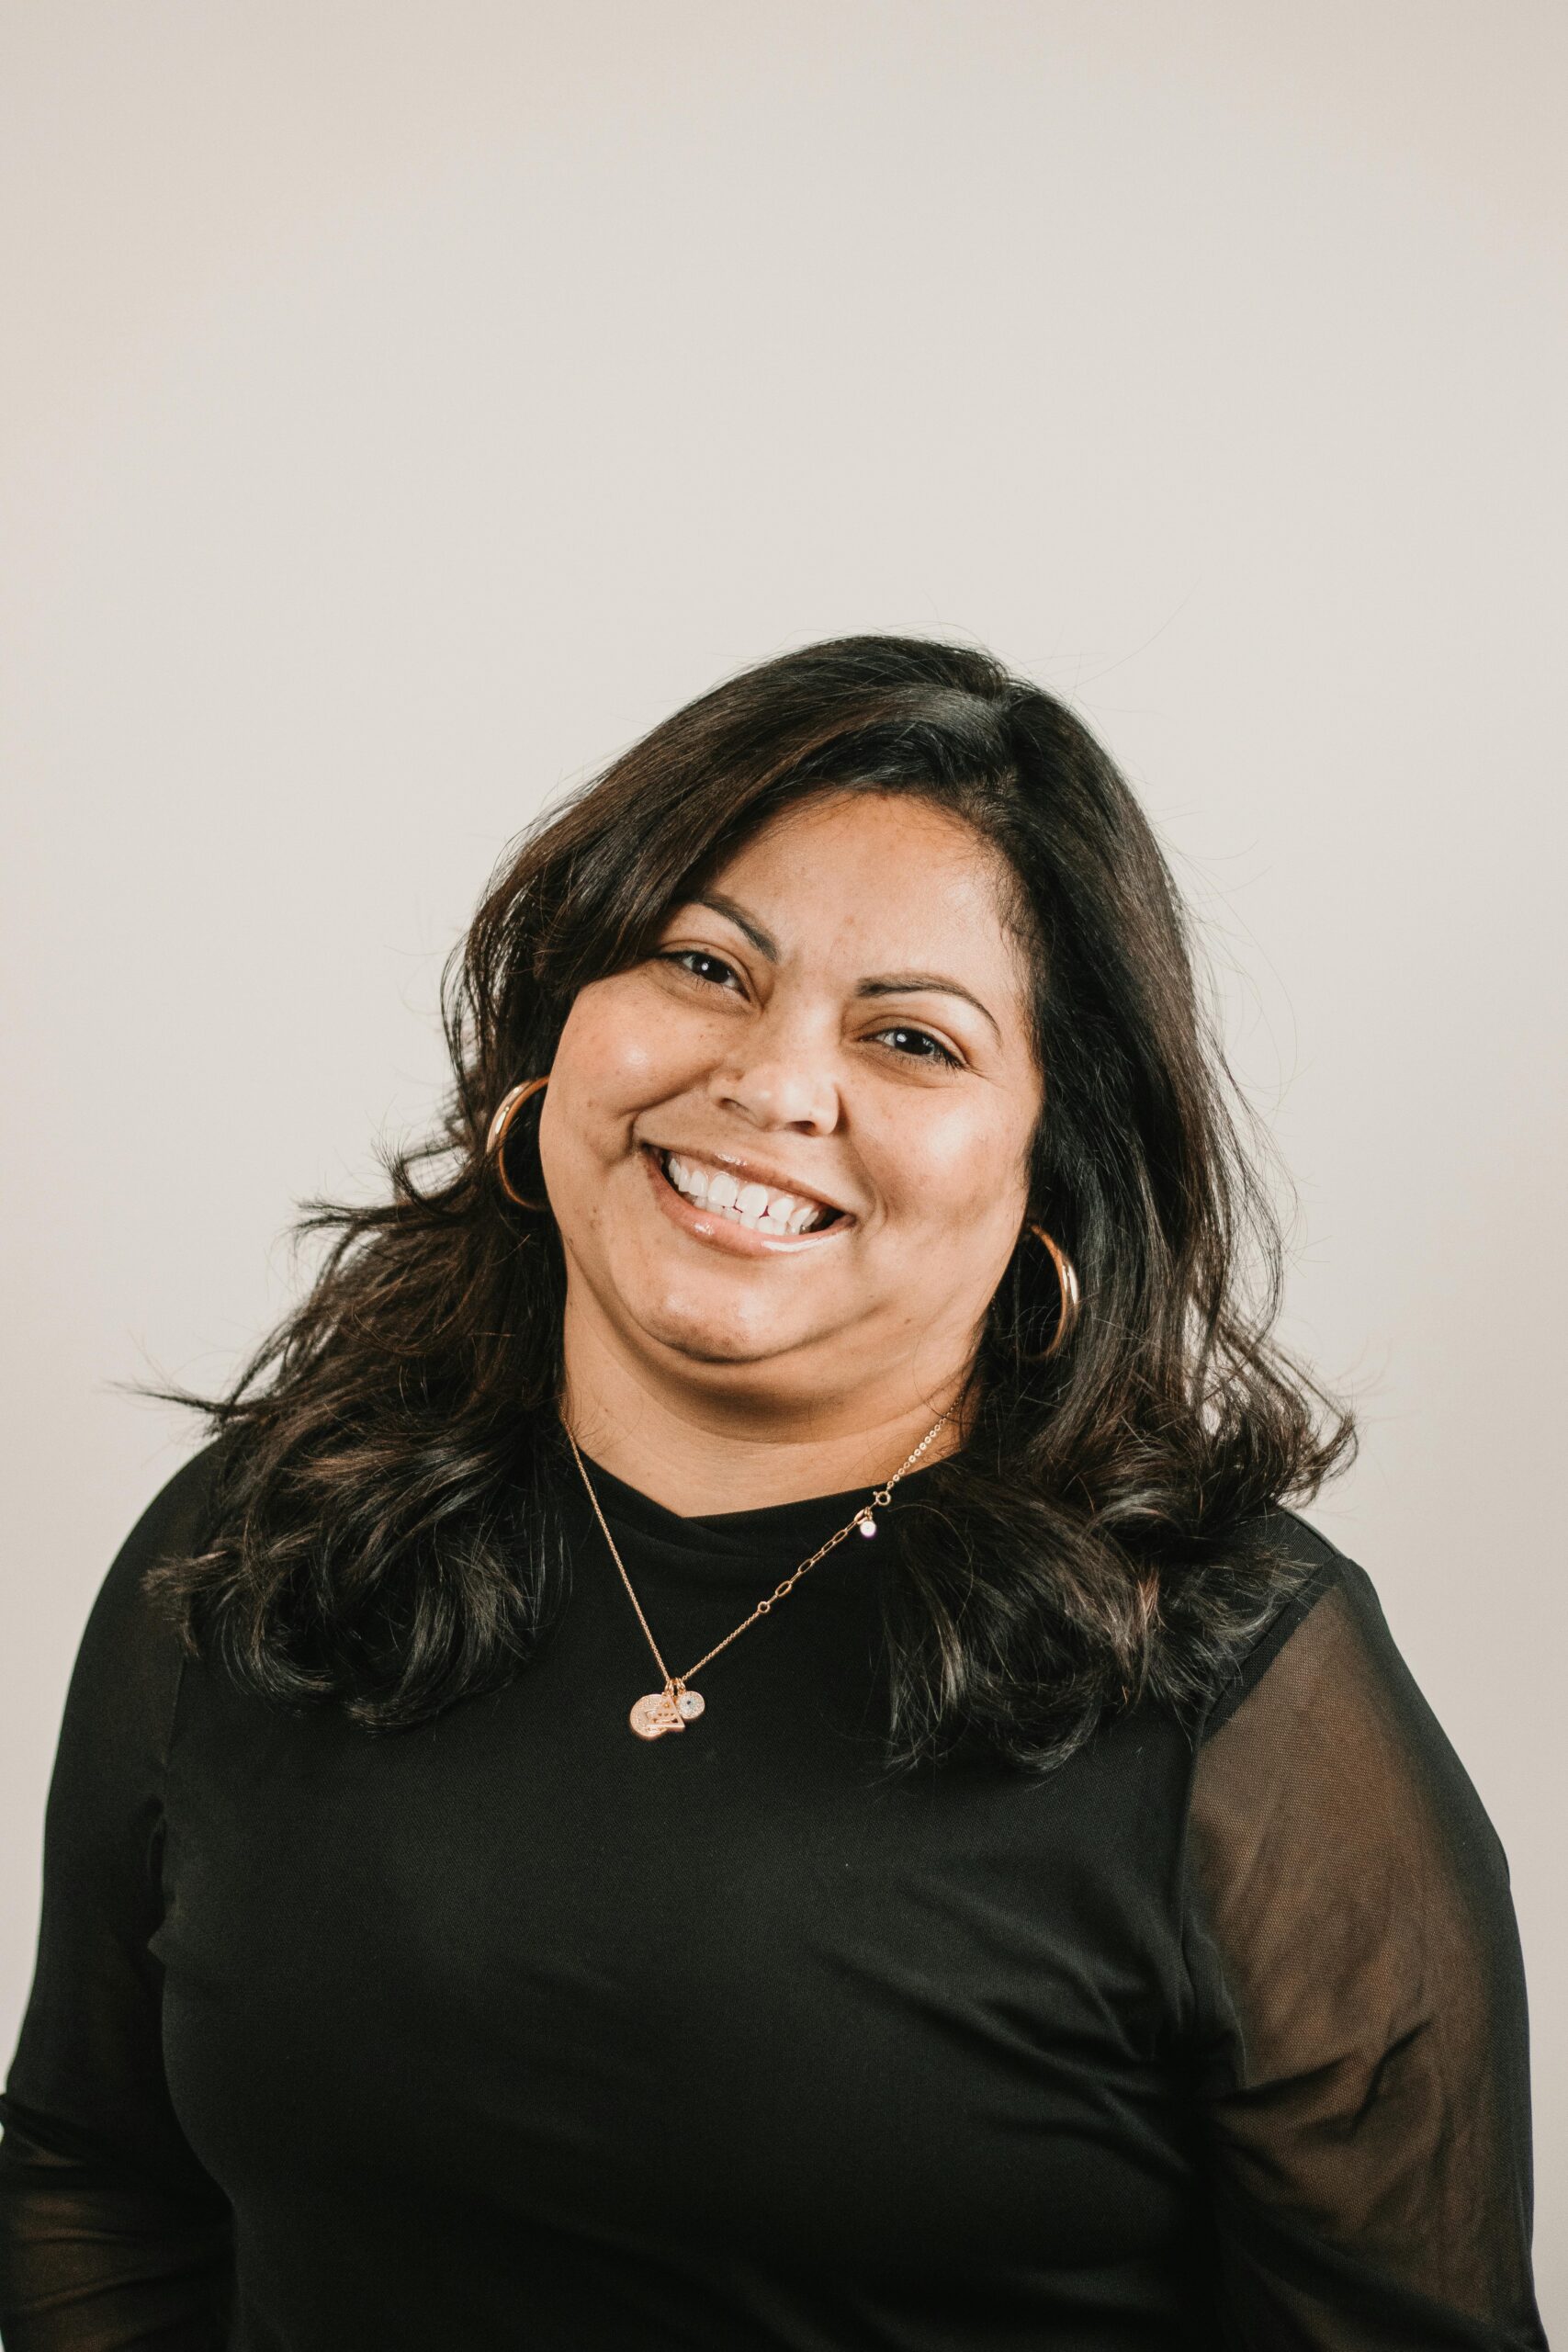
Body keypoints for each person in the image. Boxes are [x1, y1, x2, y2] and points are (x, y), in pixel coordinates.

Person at [0, 636, 1547, 2350]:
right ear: (560, 1026)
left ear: (1053, 1167)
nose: (767, 1083)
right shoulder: (271, 1545)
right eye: (705, 965)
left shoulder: (1230, 1691)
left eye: (910, 1039)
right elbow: (93, 2184)